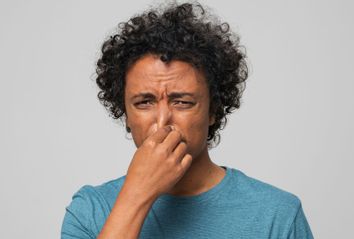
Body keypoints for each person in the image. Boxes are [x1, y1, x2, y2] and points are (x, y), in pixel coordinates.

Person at [61, 2, 314, 238]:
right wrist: (136, 197)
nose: (162, 121)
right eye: (144, 102)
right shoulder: (90, 211)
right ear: (126, 113)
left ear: (212, 110)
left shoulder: (278, 214)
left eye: (182, 102)